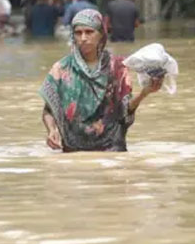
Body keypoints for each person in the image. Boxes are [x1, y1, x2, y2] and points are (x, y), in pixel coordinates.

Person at [39, 9, 163, 152]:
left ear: (101, 35)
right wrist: (52, 130)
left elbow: (124, 109)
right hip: (73, 152)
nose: (83, 38)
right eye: (78, 33)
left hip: (111, 150)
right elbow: (49, 109)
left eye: (89, 32)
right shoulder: (61, 69)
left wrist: (144, 93)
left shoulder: (117, 67)